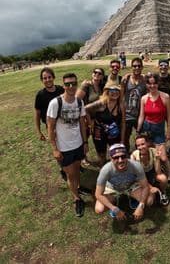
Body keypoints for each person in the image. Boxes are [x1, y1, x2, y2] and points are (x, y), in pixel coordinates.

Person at [47, 73, 88, 217]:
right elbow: (50, 127)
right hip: (64, 147)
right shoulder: (55, 103)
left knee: (77, 170)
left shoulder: (79, 102)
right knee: (70, 174)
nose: (71, 87)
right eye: (68, 84)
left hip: (77, 144)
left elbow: (82, 124)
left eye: (73, 83)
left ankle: (77, 187)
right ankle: (76, 198)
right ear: (63, 85)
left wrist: (85, 142)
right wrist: (54, 149)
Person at [137, 73, 170, 189]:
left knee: (163, 157)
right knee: (146, 154)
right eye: (150, 83)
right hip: (147, 129)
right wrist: (139, 130)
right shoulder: (144, 98)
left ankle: (169, 177)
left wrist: (169, 131)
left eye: (154, 83)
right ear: (147, 85)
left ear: (158, 83)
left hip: (159, 129)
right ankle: (148, 176)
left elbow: (169, 116)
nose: (152, 86)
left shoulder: (165, 97)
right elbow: (141, 116)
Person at [95, 143, 153, 220]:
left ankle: (132, 198)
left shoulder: (136, 165)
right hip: (113, 188)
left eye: (123, 156)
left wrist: (141, 206)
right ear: (111, 158)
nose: (120, 160)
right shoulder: (105, 170)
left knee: (149, 200)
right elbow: (98, 194)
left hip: (131, 186)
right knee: (99, 209)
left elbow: (145, 187)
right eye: (116, 158)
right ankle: (114, 203)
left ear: (127, 156)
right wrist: (114, 209)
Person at [85, 84, 125, 167]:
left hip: (114, 131)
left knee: (115, 152)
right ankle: (103, 169)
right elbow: (85, 109)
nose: (115, 93)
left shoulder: (120, 105)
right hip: (99, 131)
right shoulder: (101, 103)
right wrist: (90, 123)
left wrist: (122, 139)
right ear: (107, 92)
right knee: (101, 154)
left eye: (117, 91)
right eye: (112, 91)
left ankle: (115, 170)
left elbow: (123, 123)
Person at [131, 134, 169, 206]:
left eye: (143, 144)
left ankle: (163, 192)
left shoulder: (153, 151)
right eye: (138, 145)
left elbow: (158, 173)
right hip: (139, 177)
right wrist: (150, 187)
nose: (141, 147)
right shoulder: (134, 156)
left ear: (148, 143)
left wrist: (157, 158)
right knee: (150, 201)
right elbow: (138, 176)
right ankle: (135, 196)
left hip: (151, 173)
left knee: (163, 178)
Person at [121, 57, 147, 152]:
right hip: (127, 115)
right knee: (125, 138)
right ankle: (126, 156)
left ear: (142, 67)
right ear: (131, 67)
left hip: (139, 115)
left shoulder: (144, 80)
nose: (136, 68)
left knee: (141, 137)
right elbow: (121, 96)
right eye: (134, 66)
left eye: (139, 66)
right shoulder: (126, 79)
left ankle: (139, 155)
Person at [34, 67, 64, 141]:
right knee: (57, 149)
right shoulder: (40, 95)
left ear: (53, 77)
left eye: (49, 77)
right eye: (45, 78)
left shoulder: (61, 90)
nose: (47, 80)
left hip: (64, 123)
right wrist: (39, 132)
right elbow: (37, 114)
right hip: (51, 127)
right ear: (42, 80)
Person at [157, 59, 170, 157]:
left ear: (168, 67)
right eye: (161, 65)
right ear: (158, 67)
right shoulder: (155, 77)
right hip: (158, 107)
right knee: (159, 128)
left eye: (165, 65)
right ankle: (160, 146)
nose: (163, 67)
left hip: (169, 107)